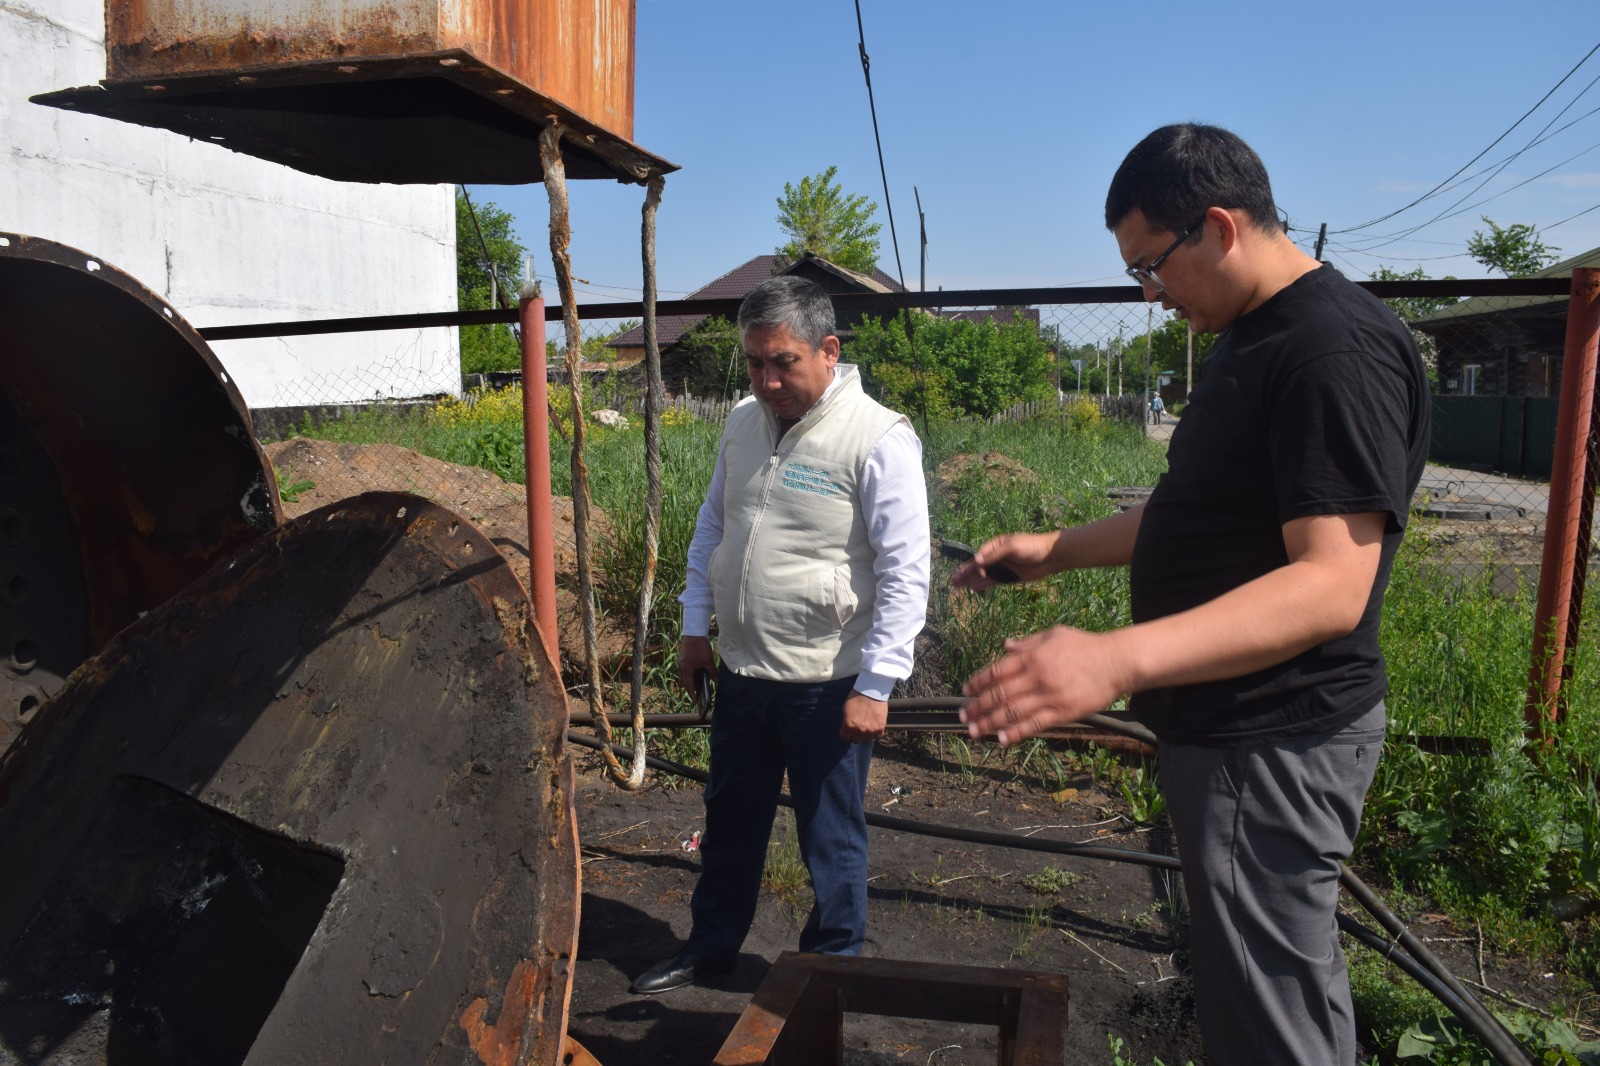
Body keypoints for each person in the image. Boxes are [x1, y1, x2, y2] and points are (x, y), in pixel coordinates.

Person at [953, 124, 1428, 1066]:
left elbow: (1331, 586)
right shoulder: (1256, 336)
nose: (1149, 292)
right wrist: (1056, 552)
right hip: (1238, 737)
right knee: (1265, 995)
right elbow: (1198, 513)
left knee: (1272, 1023)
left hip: (1272, 740)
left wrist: (1113, 657)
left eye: (1152, 266)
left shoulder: (1330, 351)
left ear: (1218, 226)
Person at [630, 274, 930, 995]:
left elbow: (906, 570)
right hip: (743, 671)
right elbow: (713, 526)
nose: (768, 381)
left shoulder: (878, 438)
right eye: (756, 363)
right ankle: (710, 948)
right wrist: (693, 626)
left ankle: (829, 975)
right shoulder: (742, 421)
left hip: (827, 685)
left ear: (829, 350)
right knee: (730, 821)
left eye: (783, 363)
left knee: (830, 840)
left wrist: (877, 683)